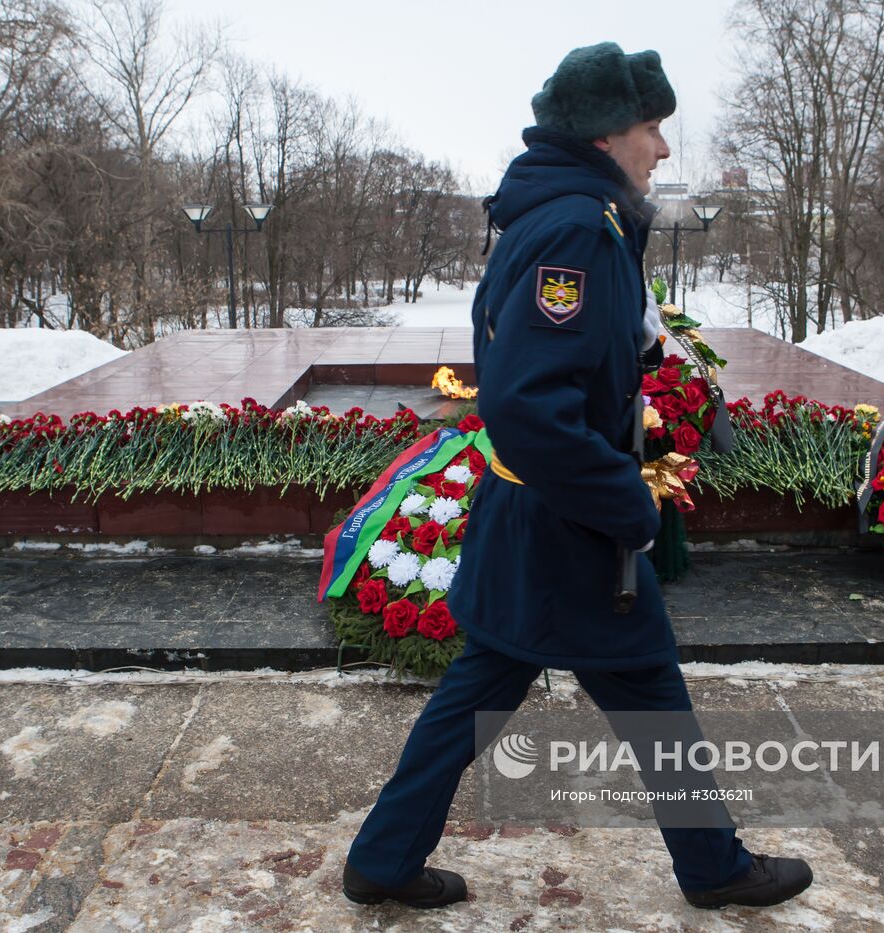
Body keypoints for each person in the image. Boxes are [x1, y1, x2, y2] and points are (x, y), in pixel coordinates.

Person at [342, 41, 813, 912]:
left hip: (534, 514)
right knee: (645, 684)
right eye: (652, 128)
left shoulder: (570, 216)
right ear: (606, 136)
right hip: (566, 523)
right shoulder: (575, 230)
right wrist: (625, 500)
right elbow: (528, 403)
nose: (662, 148)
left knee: (488, 684)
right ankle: (713, 868)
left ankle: (383, 854)